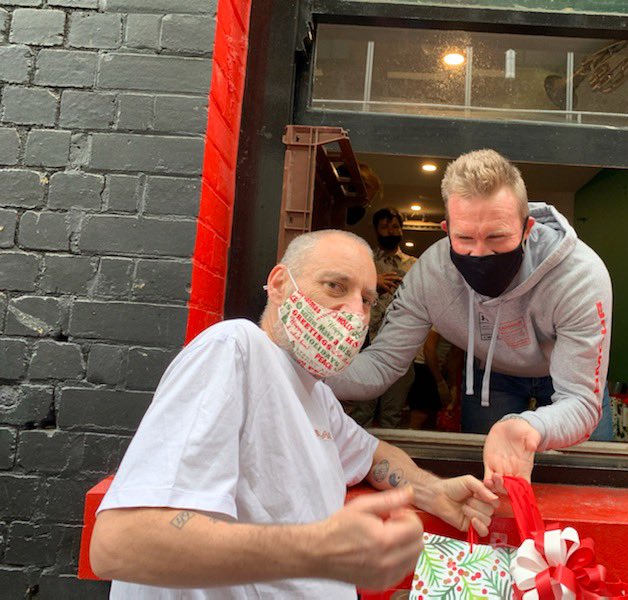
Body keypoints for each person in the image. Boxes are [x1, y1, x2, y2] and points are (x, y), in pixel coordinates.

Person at [90, 230, 498, 599]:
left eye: (367, 300)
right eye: (336, 286)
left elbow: (375, 456)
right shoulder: (234, 349)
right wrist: (317, 549)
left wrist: (433, 492)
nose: (354, 312)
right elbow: (121, 542)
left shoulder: (317, 395)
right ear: (281, 284)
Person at [327, 149, 614, 489]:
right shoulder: (430, 276)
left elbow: (581, 400)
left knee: (590, 483)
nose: (480, 253)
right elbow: (382, 364)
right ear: (446, 229)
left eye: (496, 237)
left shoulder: (580, 276)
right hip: (492, 377)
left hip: (567, 379)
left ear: (527, 229)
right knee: (484, 486)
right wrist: (308, 372)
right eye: (464, 238)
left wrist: (524, 427)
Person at [344, 208, 418, 428]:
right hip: (364, 345)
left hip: (400, 346)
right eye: (385, 227)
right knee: (360, 411)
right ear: (376, 230)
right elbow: (343, 294)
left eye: (395, 226)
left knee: (392, 413)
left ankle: (388, 460)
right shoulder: (362, 262)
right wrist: (372, 283)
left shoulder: (415, 264)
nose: (391, 231)